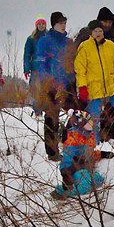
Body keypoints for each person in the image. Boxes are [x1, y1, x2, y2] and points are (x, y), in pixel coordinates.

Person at [75, 20, 114, 142]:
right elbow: (80, 70)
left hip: (113, 86)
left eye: (100, 30)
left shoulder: (111, 46)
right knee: (93, 119)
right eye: (95, 31)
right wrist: (82, 87)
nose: (98, 33)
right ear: (91, 32)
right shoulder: (84, 47)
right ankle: (95, 144)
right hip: (94, 88)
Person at [32, 11, 77, 160]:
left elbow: (72, 63)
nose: (64, 25)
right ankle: (52, 152)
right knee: (52, 117)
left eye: (65, 22)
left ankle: (74, 147)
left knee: (74, 115)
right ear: (54, 24)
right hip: (51, 85)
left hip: (68, 84)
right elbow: (39, 63)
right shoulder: (45, 41)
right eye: (61, 23)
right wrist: (49, 81)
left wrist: (72, 81)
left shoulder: (68, 42)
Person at [52, 109, 114, 200]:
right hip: (74, 168)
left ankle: (80, 186)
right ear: (80, 125)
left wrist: (101, 154)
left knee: (98, 180)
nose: (91, 127)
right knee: (85, 186)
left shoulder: (88, 136)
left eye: (91, 124)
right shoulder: (73, 138)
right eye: (88, 124)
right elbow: (66, 159)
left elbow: (89, 153)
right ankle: (61, 191)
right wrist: (66, 174)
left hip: (84, 166)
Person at [23, 14, 47, 82]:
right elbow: (27, 55)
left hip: (47, 69)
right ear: (36, 25)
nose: (41, 26)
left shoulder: (50, 38)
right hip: (35, 69)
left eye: (43, 24)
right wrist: (26, 69)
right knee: (35, 90)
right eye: (39, 24)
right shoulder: (31, 38)